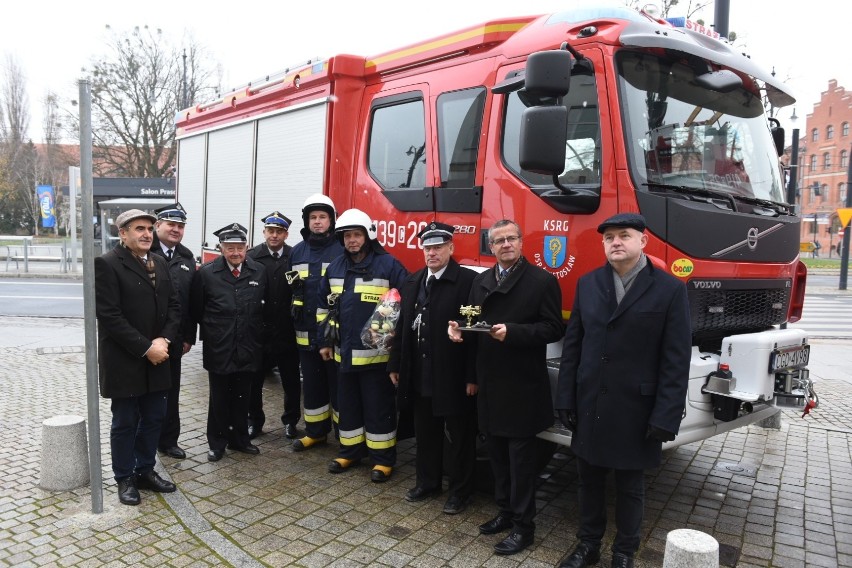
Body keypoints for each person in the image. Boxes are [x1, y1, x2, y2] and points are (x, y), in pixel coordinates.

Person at [555, 213, 691, 568]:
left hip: (637, 409)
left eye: (624, 236)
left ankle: (624, 551)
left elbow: (675, 361)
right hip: (591, 404)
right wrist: (565, 398)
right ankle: (588, 545)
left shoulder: (669, 290)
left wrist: (666, 414)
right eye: (609, 237)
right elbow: (574, 347)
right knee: (589, 481)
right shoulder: (588, 284)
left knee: (631, 486)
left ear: (642, 241)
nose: (616, 242)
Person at [448, 219, 563, 556]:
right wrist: (457, 329)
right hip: (489, 384)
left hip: (523, 386)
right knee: (496, 456)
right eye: (499, 241)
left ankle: (524, 528)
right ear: (491, 246)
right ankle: (505, 512)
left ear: (521, 242)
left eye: (511, 238)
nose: (506, 244)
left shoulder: (542, 281)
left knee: (521, 463)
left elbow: (554, 328)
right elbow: (469, 323)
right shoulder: (482, 281)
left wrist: (513, 332)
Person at [388, 222, 478, 514]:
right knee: (425, 433)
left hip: (452, 376)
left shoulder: (467, 282)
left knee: (460, 437)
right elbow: (402, 326)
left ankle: (460, 492)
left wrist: (471, 376)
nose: (432, 253)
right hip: (420, 373)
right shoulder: (413, 281)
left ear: (451, 248)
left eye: (438, 247)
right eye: (427, 247)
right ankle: (427, 482)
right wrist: (395, 363)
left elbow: (474, 333)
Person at [95, 208, 180, 506]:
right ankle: (124, 478)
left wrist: (164, 339)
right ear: (123, 233)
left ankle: (145, 470)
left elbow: (174, 306)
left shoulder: (159, 262)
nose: (146, 234)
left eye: (148, 228)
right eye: (138, 229)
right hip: (126, 360)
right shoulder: (107, 264)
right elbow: (109, 316)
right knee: (126, 421)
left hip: (158, 357)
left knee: (154, 418)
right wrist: (147, 347)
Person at [317, 208, 408, 482]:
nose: (352, 240)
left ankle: (382, 460)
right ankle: (350, 451)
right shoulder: (334, 268)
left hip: (377, 358)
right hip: (343, 356)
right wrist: (325, 342)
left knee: (378, 408)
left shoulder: (389, 265)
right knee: (348, 407)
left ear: (368, 236)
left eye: (357, 235)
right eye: (347, 236)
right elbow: (323, 307)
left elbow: (406, 303)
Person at [188, 223, 268, 462]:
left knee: (244, 395)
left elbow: (265, 310)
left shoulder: (259, 271)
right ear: (221, 249)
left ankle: (240, 440)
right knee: (219, 398)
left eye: (240, 247)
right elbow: (196, 310)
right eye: (230, 248)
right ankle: (217, 442)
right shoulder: (206, 273)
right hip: (219, 346)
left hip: (249, 345)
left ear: (247, 247)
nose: (235, 253)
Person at [289, 194, 344, 452]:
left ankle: (345, 435)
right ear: (306, 221)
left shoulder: (342, 249)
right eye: (313, 217)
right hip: (305, 335)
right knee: (311, 386)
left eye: (323, 217)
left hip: (333, 335)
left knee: (339, 387)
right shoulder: (297, 251)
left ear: (332, 220)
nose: (318, 222)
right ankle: (315, 432)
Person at [247, 211, 302, 440]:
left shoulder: (295, 256)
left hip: (287, 331)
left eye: (279, 231)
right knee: (254, 381)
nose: (274, 235)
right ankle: (254, 422)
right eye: (271, 231)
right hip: (260, 331)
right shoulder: (252, 256)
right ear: (264, 232)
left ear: (286, 234)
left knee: (291, 381)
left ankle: (290, 421)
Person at [150, 202, 195, 460]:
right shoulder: (145, 249)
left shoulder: (187, 257)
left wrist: (189, 336)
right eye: (171, 225)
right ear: (159, 226)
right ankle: (147, 439)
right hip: (149, 339)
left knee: (171, 392)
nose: (176, 229)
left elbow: (190, 302)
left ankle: (168, 441)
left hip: (175, 339)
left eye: (180, 226)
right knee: (148, 394)